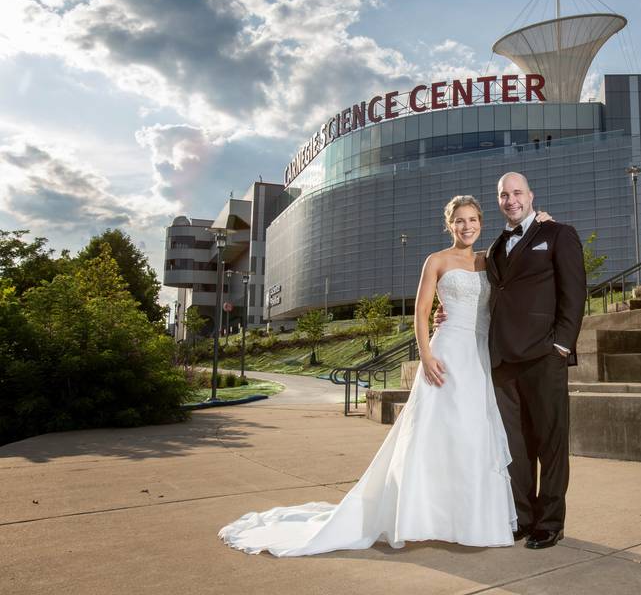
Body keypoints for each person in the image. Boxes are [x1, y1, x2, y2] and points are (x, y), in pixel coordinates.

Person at [218, 196, 549, 556]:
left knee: (473, 434)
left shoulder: (490, 258)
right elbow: (422, 313)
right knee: (434, 432)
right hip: (447, 353)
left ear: (481, 222)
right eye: (459, 221)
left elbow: (523, 254)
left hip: (480, 356)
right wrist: (425, 354)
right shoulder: (436, 261)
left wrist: (539, 222)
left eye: (472, 219)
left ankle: (468, 518)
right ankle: (420, 516)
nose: (466, 226)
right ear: (449, 225)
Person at [437, 172, 587, 549]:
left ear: (530, 195)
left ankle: (550, 522)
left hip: (544, 356)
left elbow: (574, 293)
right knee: (513, 447)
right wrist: (446, 313)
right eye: (504, 195)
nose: (511, 199)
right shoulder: (495, 248)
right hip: (502, 360)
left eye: (517, 192)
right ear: (499, 201)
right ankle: (521, 517)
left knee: (549, 442)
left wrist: (562, 346)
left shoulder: (558, 234)